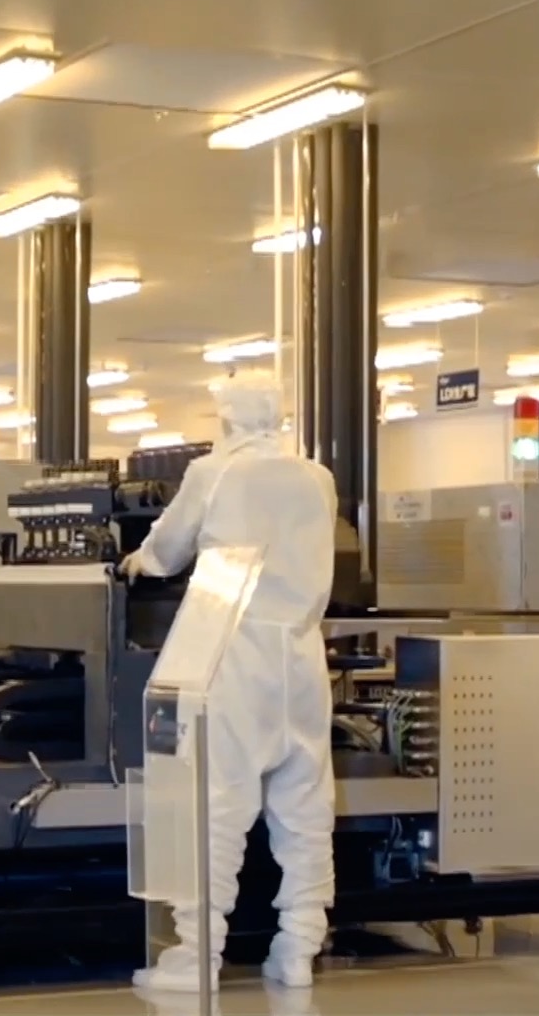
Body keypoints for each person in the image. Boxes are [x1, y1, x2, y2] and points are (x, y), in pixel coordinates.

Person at [120, 375, 338, 992]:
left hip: (233, 651)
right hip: (302, 651)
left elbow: (167, 549)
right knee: (305, 803)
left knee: (213, 803)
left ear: (227, 419)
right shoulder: (317, 478)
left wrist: (137, 561)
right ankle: (298, 949)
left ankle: (196, 958)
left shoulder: (213, 472)